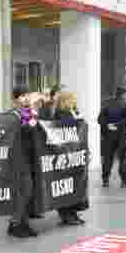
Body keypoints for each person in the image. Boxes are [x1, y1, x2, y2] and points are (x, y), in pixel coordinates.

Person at [52, 91, 88, 227]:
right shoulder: (61, 114)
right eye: (73, 99)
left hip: (74, 153)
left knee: (74, 184)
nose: (75, 101)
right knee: (66, 184)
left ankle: (73, 212)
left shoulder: (74, 112)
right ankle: (66, 214)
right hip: (66, 153)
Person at [7, 90, 38, 238]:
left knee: (28, 190)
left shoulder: (28, 112)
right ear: (16, 99)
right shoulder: (13, 114)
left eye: (27, 96)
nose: (25, 99)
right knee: (22, 190)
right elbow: (21, 130)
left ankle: (23, 221)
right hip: (17, 157)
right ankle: (15, 223)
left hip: (27, 156)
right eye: (23, 96)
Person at [97, 86, 126, 188]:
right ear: (124, 95)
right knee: (124, 158)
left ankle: (105, 180)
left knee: (107, 158)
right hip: (123, 135)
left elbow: (100, 119)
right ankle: (124, 181)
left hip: (109, 136)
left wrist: (108, 125)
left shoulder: (106, 105)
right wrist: (117, 125)